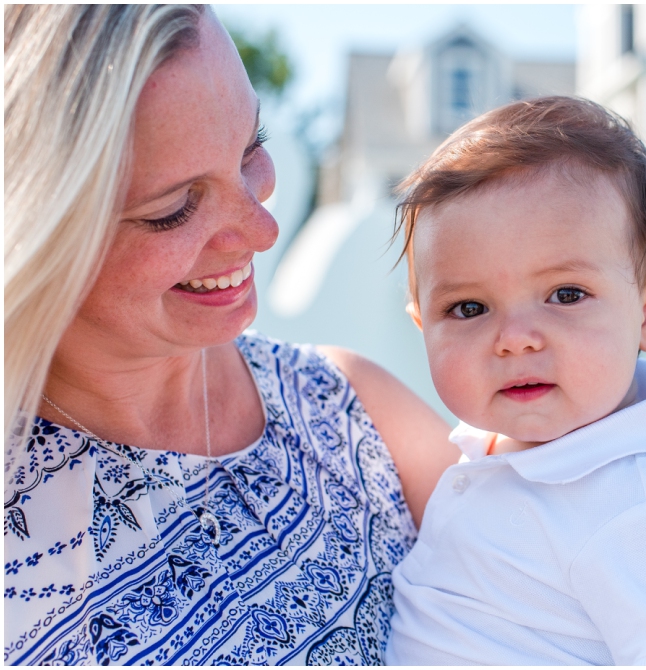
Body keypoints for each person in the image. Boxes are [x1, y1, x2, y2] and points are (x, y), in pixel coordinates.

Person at [3, 5, 457, 665]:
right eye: (174, 209)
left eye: (252, 149)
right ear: (33, 233)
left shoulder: (346, 408)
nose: (263, 229)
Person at [385, 97, 646, 665]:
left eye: (565, 295)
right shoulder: (488, 450)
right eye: (467, 308)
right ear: (422, 326)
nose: (515, 338)